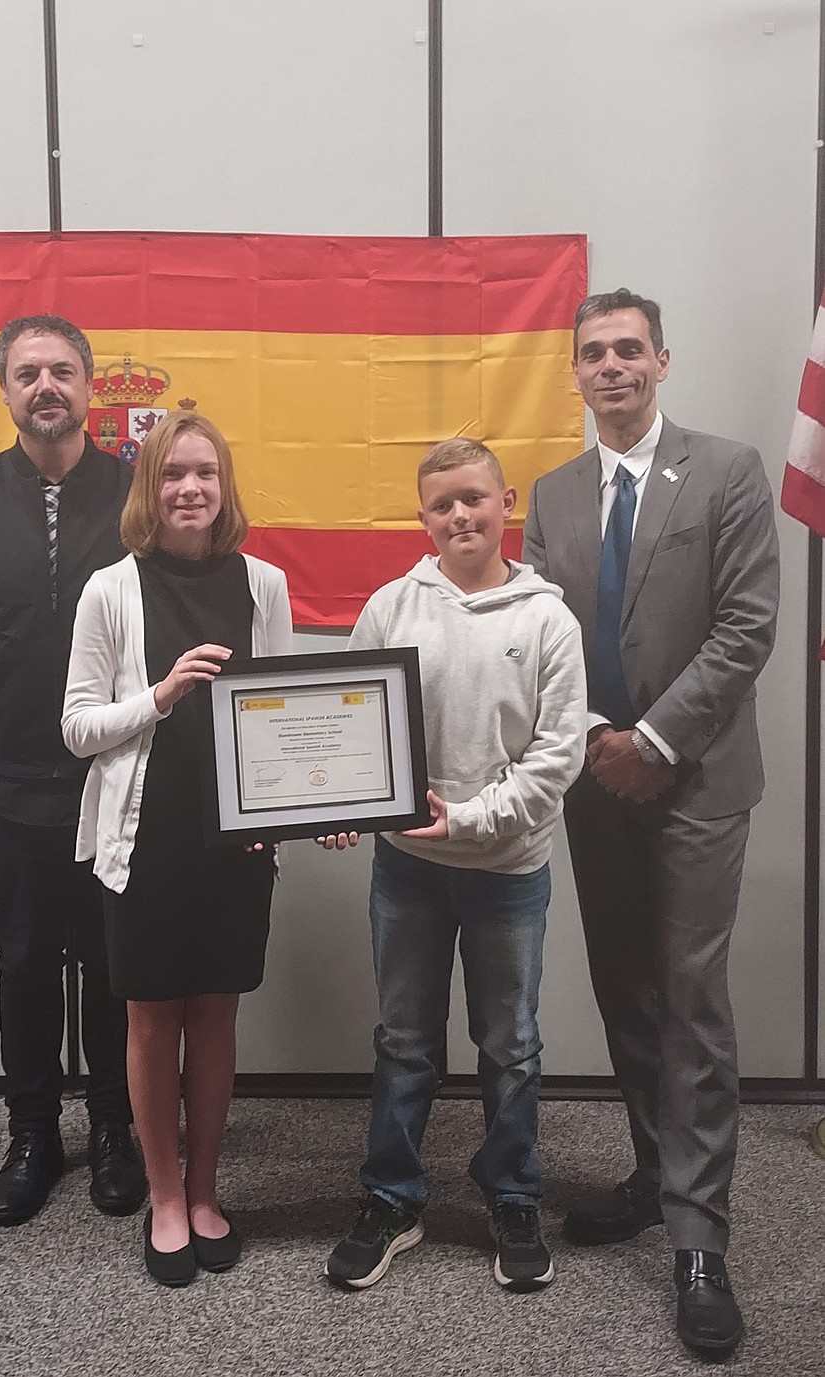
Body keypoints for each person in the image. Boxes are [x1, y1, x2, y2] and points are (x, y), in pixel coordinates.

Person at [523, 289, 780, 1359]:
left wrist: (653, 743)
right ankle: (650, 1170)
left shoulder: (725, 471)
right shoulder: (550, 495)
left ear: (661, 362)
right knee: (623, 988)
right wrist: (590, 739)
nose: (611, 367)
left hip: (693, 784)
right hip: (595, 782)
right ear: (574, 375)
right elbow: (539, 635)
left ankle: (698, 1241)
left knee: (689, 1001)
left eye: (629, 349)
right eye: (593, 354)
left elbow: (745, 625)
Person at [324, 437, 586, 1294]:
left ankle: (512, 1193)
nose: (459, 516)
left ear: (505, 500)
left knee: (509, 1043)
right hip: (407, 868)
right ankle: (393, 1198)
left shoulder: (548, 617)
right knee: (404, 1040)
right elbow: (347, 721)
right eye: (441, 504)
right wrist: (342, 804)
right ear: (423, 516)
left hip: (509, 867)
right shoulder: (393, 606)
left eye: (473, 498)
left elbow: (556, 761)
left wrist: (469, 817)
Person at [0, 314, 146, 1227]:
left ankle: (118, 1129)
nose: (45, 386)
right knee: (24, 957)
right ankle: (34, 1134)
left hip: (119, 774)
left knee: (113, 958)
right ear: (4, 390)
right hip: (11, 775)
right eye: (26, 373)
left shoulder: (138, 494)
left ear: (90, 385)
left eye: (61, 371)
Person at [61, 410, 293, 1287]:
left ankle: (204, 1190)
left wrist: (313, 805)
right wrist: (158, 696)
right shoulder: (108, 589)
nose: (190, 488)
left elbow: (290, 716)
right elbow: (79, 726)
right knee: (153, 1019)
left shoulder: (264, 583)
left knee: (218, 1015)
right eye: (171, 474)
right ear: (147, 489)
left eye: (205, 472)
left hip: (235, 844)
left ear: (225, 485)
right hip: (145, 840)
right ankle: (163, 1197)